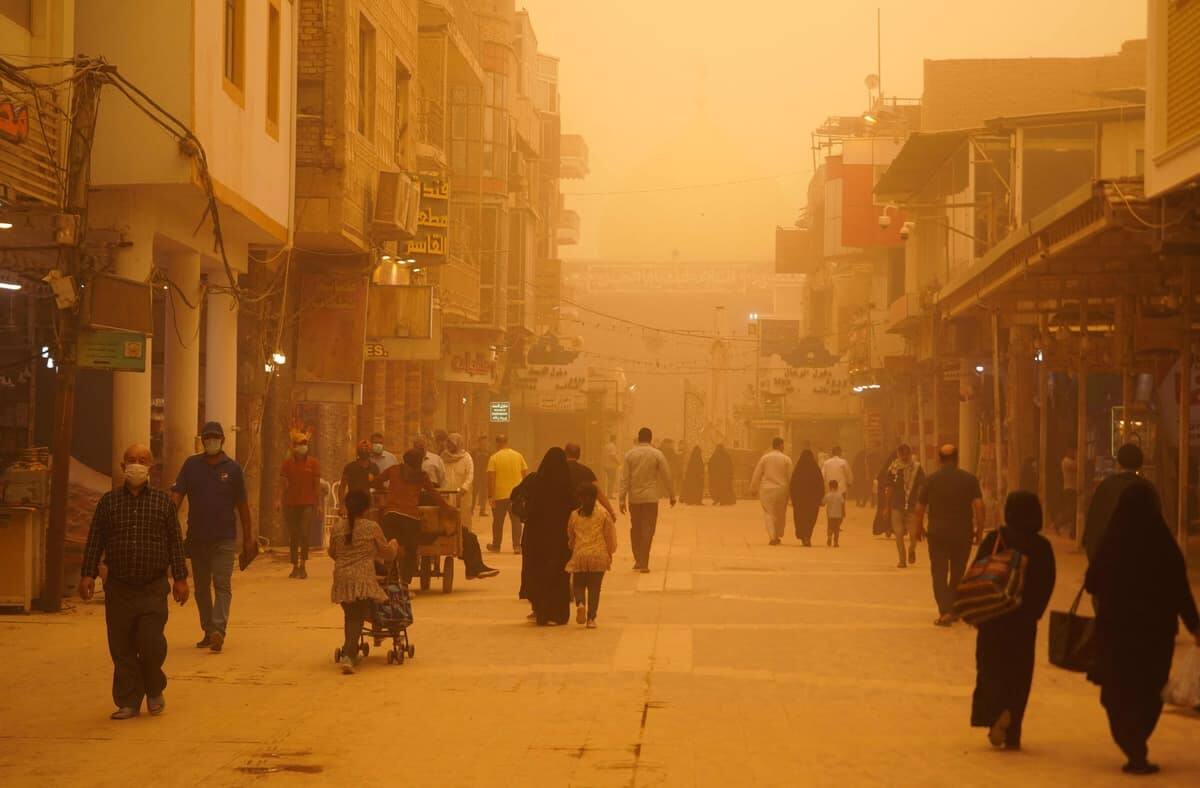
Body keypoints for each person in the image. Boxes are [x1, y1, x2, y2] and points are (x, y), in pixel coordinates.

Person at [1086, 483, 1200, 775]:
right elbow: (1180, 590)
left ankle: (1131, 744)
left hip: (1116, 632)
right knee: (1150, 690)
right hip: (1156, 635)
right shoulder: (1164, 545)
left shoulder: (1111, 542)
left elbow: (1092, 582)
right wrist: (1195, 626)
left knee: (1117, 689)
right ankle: (1138, 743)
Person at [80, 443, 189, 720]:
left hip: (153, 587)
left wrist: (180, 578)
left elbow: (175, 542)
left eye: (142, 460)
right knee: (122, 646)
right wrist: (88, 574)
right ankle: (128, 700)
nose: (137, 464)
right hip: (119, 587)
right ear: (122, 466)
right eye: (131, 460)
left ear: (151, 466)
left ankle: (154, 687)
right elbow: (95, 540)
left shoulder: (163, 502)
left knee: (151, 642)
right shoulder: (109, 502)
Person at [969, 491, 1056, 750]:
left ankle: (995, 713)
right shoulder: (1041, 547)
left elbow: (976, 574)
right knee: (1019, 675)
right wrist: (1033, 613)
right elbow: (1047, 583)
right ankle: (1013, 727)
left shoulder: (995, 540)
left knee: (990, 670)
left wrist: (977, 611)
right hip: (1023, 623)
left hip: (993, 620)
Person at [171, 421, 256, 653]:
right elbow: (176, 497)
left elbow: (243, 506)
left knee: (222, 584)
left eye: (215, 437)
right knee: (200, 588)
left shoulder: (234, 469)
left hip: (224, 539)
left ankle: (218, 630)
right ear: (202, 440)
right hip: (197, 538)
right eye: (207, 437)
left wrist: (248, 538)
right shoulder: (191, 466)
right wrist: (165, 521)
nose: (211, 441)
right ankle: (208, 630)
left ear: (222, 440)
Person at [328, 489, 398, 674]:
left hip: (342, 578)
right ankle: (349, 655)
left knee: (351, 614)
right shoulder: (372, 527)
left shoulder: (337, 528)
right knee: (356, 615)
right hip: (363, 579)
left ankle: (351, 650)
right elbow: (387, 553)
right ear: (366, 508)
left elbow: (332, 553)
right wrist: (394, 545)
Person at [914, 444, 984, 627]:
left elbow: (919, 508)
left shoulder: (931, 480)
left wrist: (918, 528)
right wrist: (980, 530)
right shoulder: (970, 480)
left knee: (938, 572)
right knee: (958, 573)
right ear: (957, 459)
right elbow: (978, 506)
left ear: (939, 460)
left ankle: (945, 611)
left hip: (938, 534)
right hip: (963, 533)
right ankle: (952, 608)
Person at [375, 448, 458, 585]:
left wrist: (383, 488)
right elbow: (434, 494)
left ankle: (384, 576)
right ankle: (405, 582)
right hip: (411, 518)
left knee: (386, 546)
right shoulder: (421, 476)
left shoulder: (394, 470)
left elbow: (377, 481)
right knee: (411, 549)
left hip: (391, 516)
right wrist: (447, 508)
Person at [521, 447, 575, 625]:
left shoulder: (536, 481)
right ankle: (558, 614)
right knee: (559, 575)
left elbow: (518, 497)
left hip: (537, 537)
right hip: (560, 539)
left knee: (540, 573)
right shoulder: (567, 484)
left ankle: (541, 612)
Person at [1083, 443, 1159, 563]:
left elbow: (1094, 521)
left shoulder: (1106, 486)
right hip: (1137, 555)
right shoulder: (1148, 488)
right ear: (1140, 464)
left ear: (1119, 462)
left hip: (1109, 552)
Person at [619, 427, 676, 573]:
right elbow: (667, 475)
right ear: (651, 439)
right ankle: (643, 561)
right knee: (648, 529)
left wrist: (621, 498)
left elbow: (624, 478)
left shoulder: (629, 455)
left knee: (636, 528)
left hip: (635, 499)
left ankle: (638, 558)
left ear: (638, 438)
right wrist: (672, 494)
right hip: (651, 498)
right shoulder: (657, 454)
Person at [567, 482, 617, 629]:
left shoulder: (574, 515)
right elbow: (610, 536)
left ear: (580, 498)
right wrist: (610, 551)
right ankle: (591, 619)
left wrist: (572, 548)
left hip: (580, 555)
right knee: (595, 588)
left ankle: (580, 603)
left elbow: (570, 536)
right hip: (599, 556)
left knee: (578, 584)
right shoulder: (603, 514)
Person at [279, 432, 321, 580]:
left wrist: (318, 503)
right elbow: (283, 485)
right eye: (300, 443)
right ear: (294, 446)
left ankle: (303, 565)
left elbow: (316, 486)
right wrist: (278, 500)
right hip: (291, 503)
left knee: (304, 533)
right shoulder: (287, 464)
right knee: (294, 535)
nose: (303, 446)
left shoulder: (313, 463)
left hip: (308, 503)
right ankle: (294, 565)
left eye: (305, 443)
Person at [884, 444, 925, 569]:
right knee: (899, 533)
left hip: (912, 506)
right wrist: (887, 507)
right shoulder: (893, 468)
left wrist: (921, 503)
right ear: (898, 454)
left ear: (910, 454)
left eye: (906, 454)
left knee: (913, 534)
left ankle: (912, 549)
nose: (904, 457)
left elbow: (921, 487)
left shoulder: (917, 468)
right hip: (896, 505)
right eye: (901, 454)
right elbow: (889, 489)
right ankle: (902, 560)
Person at [487, 434, 529, 553]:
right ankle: (517, 546)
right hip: (516, 496)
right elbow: (525, 475)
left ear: (497, 443)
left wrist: (490, 496)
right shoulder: (518, 456)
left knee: (498, 522)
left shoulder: (494, 458)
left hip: (500, 495)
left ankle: (496, 546)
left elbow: (491, 478)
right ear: (507, 442)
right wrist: (525, 493)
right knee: (516, 521)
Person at [750, 437, 792, 545]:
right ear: (779, 445)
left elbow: (757, 473)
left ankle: (772, 536)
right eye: (783, 445)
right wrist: (792, 492)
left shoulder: (765, 458)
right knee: (780, 513)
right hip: (782, 490)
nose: (784, 447)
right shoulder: (786, 459)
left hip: (766, 489)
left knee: (768, 513)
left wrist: (753, 488)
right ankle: (777, 534)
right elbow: (790, 477)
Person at [564, 442, 616, 518]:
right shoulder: (586, 471)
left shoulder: (557, 470)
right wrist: (611, 512)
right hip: (581, 514)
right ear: (579, 455)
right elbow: (599, 493)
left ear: (565, 453)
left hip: (561, 513)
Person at [788, 449, 825, 546]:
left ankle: (802, 534)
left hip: (800, 500)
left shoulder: (798, 469)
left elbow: (793, 484)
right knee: (811, 518)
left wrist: (792, 497)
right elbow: (820, 484)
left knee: (800, 518)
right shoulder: (815, 469)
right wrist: (821, 497)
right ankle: (807, 536)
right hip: (813, 500)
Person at [442, 432, 475, 533]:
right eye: (448, 443)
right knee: (448, 519)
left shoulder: (466, 457)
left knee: (464, 520)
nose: (449, 446)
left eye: (452, 443)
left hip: (462, 494)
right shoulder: (443, 457)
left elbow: (470, 474)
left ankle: (466, 541)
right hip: (447, 493)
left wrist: (464, 488)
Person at [340, 440, 380, 508]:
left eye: (366, 449)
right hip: (353, 503)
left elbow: (378, 487)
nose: (364, 451)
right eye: (362, 449)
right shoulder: (350, 467)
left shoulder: (374, 467)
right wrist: (342, 505)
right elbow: (342, 487)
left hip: (369, 505)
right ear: (358, 452)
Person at [1059, 447, 1078, 535]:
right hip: (1069, 489)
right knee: (1071, 511)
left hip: (1073, 488)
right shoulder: (1066, 461)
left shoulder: (1069, 461)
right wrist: (1078, 457)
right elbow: (1077, 467)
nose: (1073, 453)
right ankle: (1057, 523)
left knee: (1073, 511)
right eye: (1072, 451)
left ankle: (1072, 533)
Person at [822, 480, 846, 547]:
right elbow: (842, 504)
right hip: (838, 515)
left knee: (830, 527)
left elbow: (823, 503)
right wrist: (843, 513)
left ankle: (829, 537)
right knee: (837, 528)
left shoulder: (828, 495)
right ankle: (836, 542)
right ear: (837, 486)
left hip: (830, 515)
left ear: (829, 487)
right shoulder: (840, 495)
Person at [472, 435, 491, 517]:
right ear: (479, 443)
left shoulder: (489, 453)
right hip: (475, 475)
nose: (484, 443)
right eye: (482, 442)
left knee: (484, 494)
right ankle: (471, 509)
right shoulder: (474, 452)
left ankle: (482, 511)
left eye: (485, 442)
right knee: (474, 493)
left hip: (485, 476)